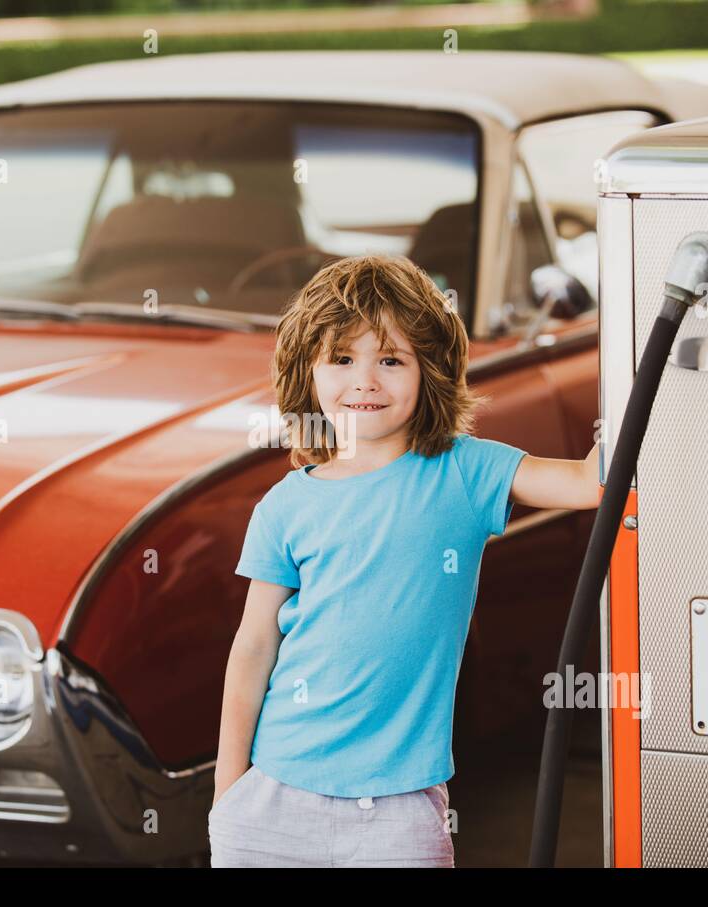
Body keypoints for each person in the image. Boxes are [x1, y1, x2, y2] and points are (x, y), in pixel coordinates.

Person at [209, 254, 601, 867]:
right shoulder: (285, 506)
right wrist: (228, 798)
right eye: (342, 359)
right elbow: (254, 648)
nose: (365, 380)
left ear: (431, 373)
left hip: (397, 810)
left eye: (390, 359)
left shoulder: (465, 470)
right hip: (274, 795)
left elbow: (590, 484)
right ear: (306, 373)